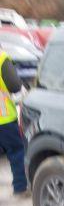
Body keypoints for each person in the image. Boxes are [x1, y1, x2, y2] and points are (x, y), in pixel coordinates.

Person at [0, 49, 27, 196]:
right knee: (16, 152)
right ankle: (20, 187)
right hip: (3, 119)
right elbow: (14, 86)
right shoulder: (1, 58)